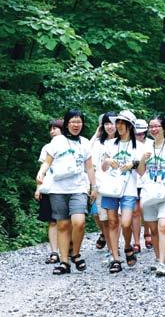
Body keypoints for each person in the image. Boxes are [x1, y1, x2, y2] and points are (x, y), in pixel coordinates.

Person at [36, 109, 97, 275]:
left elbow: (89, 167)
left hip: (78, 188)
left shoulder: (85, 143)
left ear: (82, 124)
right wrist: (41, 173)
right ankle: (64, 262)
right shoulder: (57, 142)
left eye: (79, 122)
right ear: (66, 124)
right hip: (58, 189)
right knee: (63, 224)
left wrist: (94, 187)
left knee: (79, 222)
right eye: (72, 122)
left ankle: (75, 253)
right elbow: (47, 163)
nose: (76, 125)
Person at [101, 110, 146, 274]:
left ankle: (127, 245)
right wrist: (107, 160)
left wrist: (133, 164)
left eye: (122, 123)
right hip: (111, 187)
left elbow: (142, 171)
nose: (118, 125)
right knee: (112, 221)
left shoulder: (139, 147)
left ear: (129, 126)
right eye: (117, 122)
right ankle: (115, 258)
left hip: (129, 188)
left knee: (126, 222)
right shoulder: (109, 144)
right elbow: (103, 167)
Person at [140, 115, 165, 277]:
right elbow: (141, 171)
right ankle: (158, 259)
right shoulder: (145, 147)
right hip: (150, 192)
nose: (154, 129)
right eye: (151, 126)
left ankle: (163, 264)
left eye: (157, 126)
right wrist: (143, 159)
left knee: (163, 225)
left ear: (164, 128)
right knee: (153, 229)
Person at [34, 119, 63, 264]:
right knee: (52, 221)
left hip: (65, 188)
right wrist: (38, 188)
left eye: (55, 128)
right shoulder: (46, 147)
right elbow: (41, 171)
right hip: (48, 188)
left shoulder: (71, 145)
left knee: (65, 221)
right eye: (50, 129)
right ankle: (54, 252)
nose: (52, 131)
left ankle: (67, 248)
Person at [90, 112, 116, 253]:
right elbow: (86, 155)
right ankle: (112, 250)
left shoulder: (122, 142)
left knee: (116, 220)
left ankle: (122, 247)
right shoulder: (98, 144)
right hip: (101, 186)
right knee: (104, 220)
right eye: (106, 123)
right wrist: (96, 134)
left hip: (118, 187)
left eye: (112, 123)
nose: (109, 126)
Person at [132, 119, 152, 252]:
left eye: (141, 133)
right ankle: (137, 241)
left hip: (147, 180)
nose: (139, 136)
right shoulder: (129, 144)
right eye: (137, 133)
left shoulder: (151, 144)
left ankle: (147, 233)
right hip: (133, 181)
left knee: (146, 209)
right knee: (135, 212)